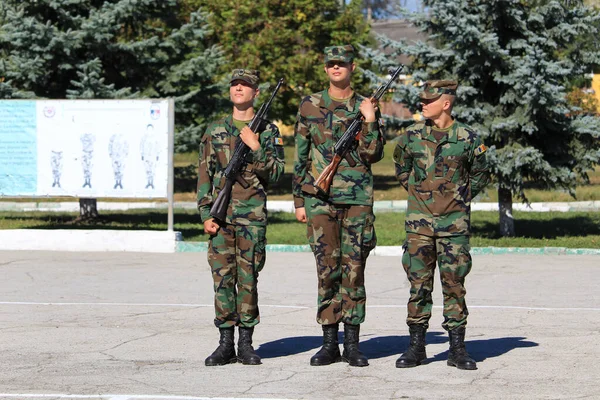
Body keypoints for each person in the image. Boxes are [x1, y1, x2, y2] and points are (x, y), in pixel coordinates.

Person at [293, 45, 385, 367]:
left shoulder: (365, 106)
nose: (336, 68)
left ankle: (353, 345)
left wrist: (370, 120)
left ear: (352, 67)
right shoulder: (309, 105)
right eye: (331, 64)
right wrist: (299, 200)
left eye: (341, 64)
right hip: (320, 200)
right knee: (326, 272)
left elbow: (373, 154)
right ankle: (329, 343)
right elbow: (300, 155)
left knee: (354, 271)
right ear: (325, 68)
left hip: (357, 201)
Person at [393, 80, 490, 370]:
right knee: (418, 286)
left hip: (454, 227)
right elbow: (401, 169)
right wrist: (422, 195)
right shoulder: (411, 136)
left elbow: (481, 174)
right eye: (421, 100)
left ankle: (457, 350)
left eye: (428, 100)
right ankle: (416, 348)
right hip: (418, 226)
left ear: (446, 103)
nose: (422, 104)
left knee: (454, 285)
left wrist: (457, 198)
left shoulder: (468, 137)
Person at [197, 69, 285, 366]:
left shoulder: (268, 131)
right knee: (223, 280)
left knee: (248, 280)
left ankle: (246, 343)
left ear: (255, 93)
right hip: (220, 219)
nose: (238, 88)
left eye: (244, 85)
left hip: (251, 218)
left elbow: (276, 173)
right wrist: (205, 214)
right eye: (234, 84)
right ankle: (225, 344)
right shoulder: (215, 130)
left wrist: (256, 146)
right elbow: (204, 175)